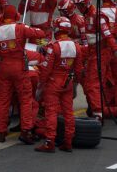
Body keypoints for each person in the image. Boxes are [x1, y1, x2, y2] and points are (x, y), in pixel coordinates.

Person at [0, 5, 45, 143]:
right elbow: (40, 34)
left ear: (3, 17)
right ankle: (26, 131)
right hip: (19, 66)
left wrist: (2, 62)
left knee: (3, 101)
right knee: (25, 99)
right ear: (15, 16)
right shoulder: (20, 28)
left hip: (4, 68)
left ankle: (1, 132)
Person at [35, 17, 83, 153]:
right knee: (68, 113)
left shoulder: (53, 46)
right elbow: (79, 69)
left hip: (53, 83)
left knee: (51, 112)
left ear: (56, 29)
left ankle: (49, 142)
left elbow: (46, 68)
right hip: (68, 83)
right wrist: (76, 84)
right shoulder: (76, 46)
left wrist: (41, 84)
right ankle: (68, 141)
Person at [73, 0, 117, 121]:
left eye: (80, 5)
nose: (78, 8)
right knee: (93, 80)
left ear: (86, 3)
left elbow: (107, 33)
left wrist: (115, 49)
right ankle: (96, 108)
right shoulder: (87, 15)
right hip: (93, 50)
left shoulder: (97, 14)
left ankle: (98, 114)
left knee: (93, 83)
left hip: (101, 51)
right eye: (77, 5)